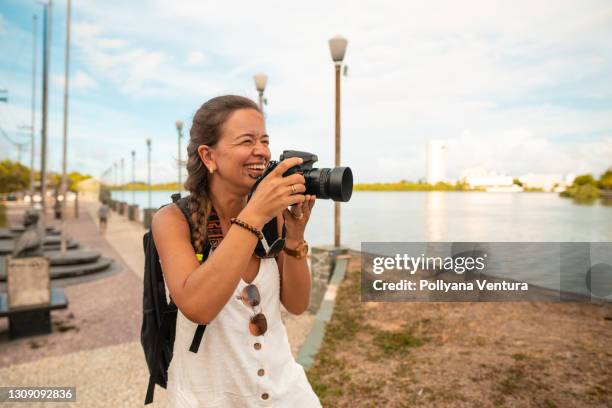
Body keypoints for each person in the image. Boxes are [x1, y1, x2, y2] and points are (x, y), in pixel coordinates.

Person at [152, 95, 321, 407]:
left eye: (264, 140)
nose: (261, 150)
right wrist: (255, 214)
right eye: (247, 140)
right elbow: (198, 307)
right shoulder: (174, 220)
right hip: (209, 397)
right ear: (209, 155)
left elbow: (297, 305)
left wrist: (295, 240)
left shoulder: (273, 217)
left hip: (286, 392)